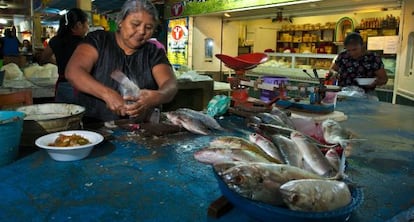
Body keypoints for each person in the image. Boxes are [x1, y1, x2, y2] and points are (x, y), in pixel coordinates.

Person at [65, 0, 177, 123]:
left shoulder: (153, 52)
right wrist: (107, 94)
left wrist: (158, 96)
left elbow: (169, 83)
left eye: (149, 27)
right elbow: (73, 72)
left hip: (141, 131)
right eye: (135, 24)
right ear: (120, 22)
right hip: (96, 126)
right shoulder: (98, 40)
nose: (142, 31)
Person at [40, 8, 89, 104]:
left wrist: (59, 63)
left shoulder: (55, 40)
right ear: (79, 25)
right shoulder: (85, 42)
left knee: (63, 116)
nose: (87, 27)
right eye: (87, 24)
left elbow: (43, 58)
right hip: (80, 87)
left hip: (62, 86)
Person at [329, 32, 388, 100]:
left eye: (355, 49)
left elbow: (384, 79)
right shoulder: (343, 56)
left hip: (367, 95)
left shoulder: (373, 58)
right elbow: (332, 69)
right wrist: (334, 74)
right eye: (348, 50)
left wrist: (375, 83)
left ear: (362, 46)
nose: (352, 53)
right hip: (345, 94)